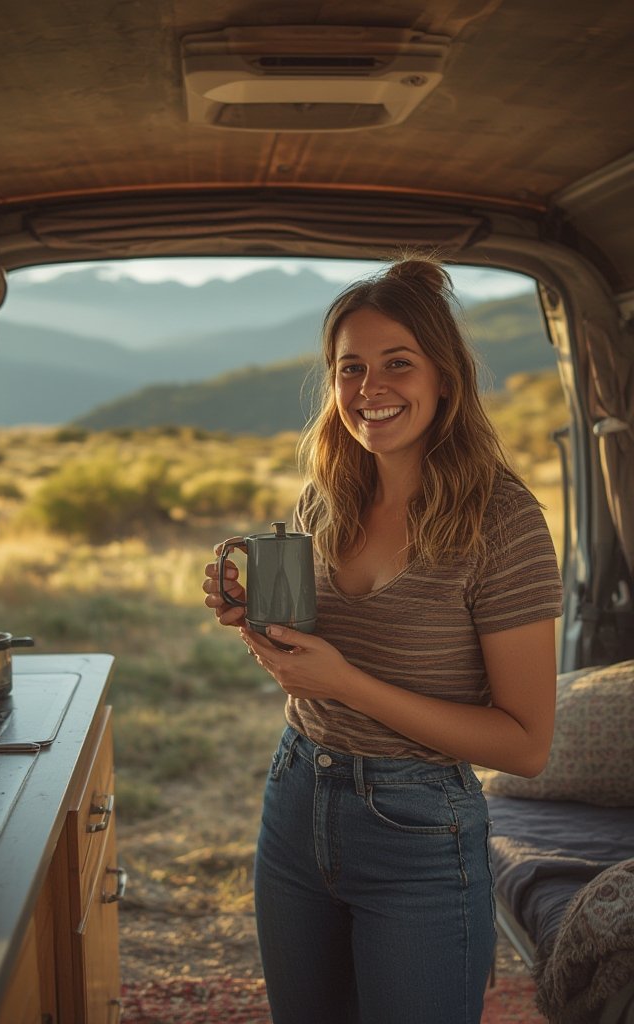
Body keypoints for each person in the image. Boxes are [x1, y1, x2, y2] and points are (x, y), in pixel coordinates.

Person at [202, 257, 563, 1024]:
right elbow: (310, 670)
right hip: (295, 798)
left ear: (444, 376)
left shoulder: (503, 522)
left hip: (420, 831)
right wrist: (260, 631)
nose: (371, 388)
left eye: (398, 363)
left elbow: (526, 744)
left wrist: (346, 683)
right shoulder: (326, 495)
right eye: (350, 368)